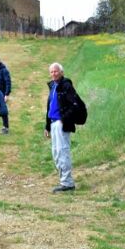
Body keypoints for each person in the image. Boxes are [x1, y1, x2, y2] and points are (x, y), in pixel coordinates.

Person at [45, 62, 79, 192]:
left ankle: (68, 183)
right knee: (55, 153)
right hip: (53, 123)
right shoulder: (53, 86)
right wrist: (47, 126)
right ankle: (63, 182)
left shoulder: (66, 86)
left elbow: (74, 105)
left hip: (61, 123)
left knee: (62, 151)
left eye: (56, 71)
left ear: (61, 72)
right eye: (52, 72)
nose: (54, 73)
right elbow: (49, 108)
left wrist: (64, 119)